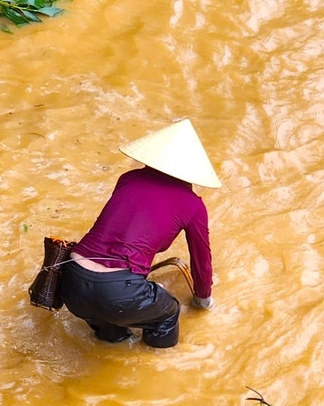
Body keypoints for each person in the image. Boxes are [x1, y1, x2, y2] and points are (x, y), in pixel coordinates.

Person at [59, 120, 219, 348]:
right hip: (117, 292)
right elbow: (202, 260)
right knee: (168, 313)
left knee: (113, 341)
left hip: (72, 280)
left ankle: (114, 340)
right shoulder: (192, 205)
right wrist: (203, 301)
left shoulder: (129, 179)